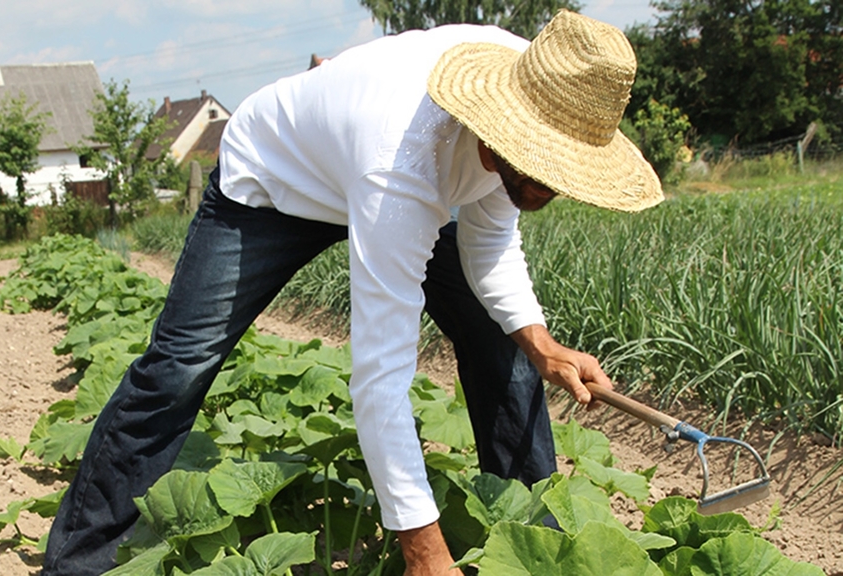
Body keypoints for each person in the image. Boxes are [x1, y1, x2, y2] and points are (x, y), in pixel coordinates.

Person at [42, 10, 662, 576]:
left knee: (504, 351)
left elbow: (489, 244)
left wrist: (541, 342)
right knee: (178, 367)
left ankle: (536, 553)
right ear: (499, 137)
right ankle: (77, 563)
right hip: (276, 184)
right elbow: (380, 375)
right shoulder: (403, 157)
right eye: (541, 167)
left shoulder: (554, 85)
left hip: (397, 171)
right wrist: (422, 547)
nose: (551, 183)